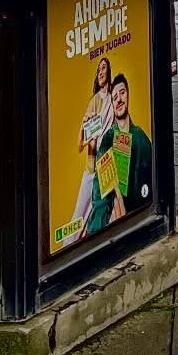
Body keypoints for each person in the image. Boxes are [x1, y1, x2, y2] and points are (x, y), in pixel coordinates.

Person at [82, 72, 152, 239]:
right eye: (114, 97)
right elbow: (100, 190)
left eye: (122, 93)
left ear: (128, 95)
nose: (119, 99)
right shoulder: (108, 140)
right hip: (113, 220)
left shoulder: (141, 138)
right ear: (112, 105)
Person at [68, 56, 114, 235]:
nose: (101, 72)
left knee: (105, 210)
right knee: (80, 212)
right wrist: (87, 134)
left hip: (108, 163)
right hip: (93, 164)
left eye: (104, 68)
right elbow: (80, 144)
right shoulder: (95, 100)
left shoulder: (114, 98)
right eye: (99, 69)